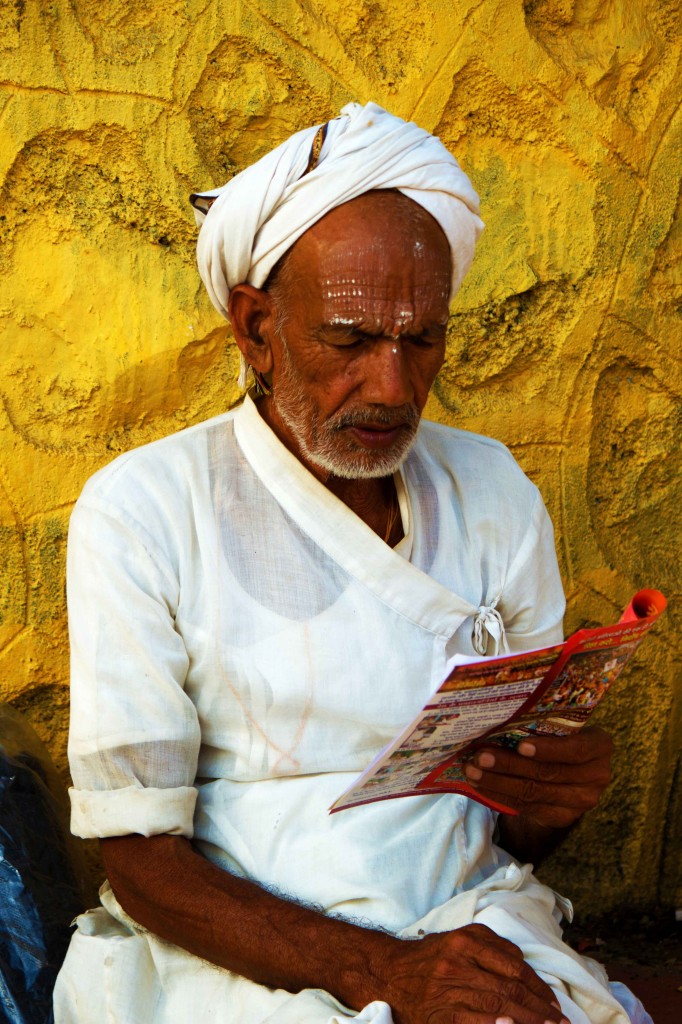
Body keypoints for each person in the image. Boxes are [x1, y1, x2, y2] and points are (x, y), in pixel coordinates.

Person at [54, 103, 649, 1024]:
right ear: (256, 328)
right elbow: (140, 864)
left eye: (422, 340)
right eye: (350, 340)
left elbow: (503, 838)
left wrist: (554, 798)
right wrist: (388, 976)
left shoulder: (492, 491)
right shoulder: (144, 509)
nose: (394, 387)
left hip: (468, 924)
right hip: (232, 960)